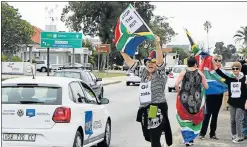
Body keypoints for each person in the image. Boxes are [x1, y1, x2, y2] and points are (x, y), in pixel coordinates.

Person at [120, 35, 172, 147]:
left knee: (154, 137)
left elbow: (160, 62)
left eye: (153, 62)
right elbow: (130, 62)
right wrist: (122, 50)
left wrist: (157, 45)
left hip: (156, 108)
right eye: (148, 62)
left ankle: (157, 141)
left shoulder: (160, 74)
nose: (150, 64)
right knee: (148, 136)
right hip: (145, 109)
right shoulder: (143, 73)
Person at [175, 56, 208, 146]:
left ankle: (187, 139)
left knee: (185, 119)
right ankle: (191, 139)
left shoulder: (184, 72)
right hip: (196, 101)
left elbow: (176, 84)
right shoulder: (200, 73)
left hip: (184, 100)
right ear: (195, 64)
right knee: (194, 119)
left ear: (187, 64)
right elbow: (206, 87)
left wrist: (179, 92)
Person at [212, 60, 247, 143]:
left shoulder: (245, 78)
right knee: (232, 120)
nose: (235, 70)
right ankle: (234, 135)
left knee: (238, 119)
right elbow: (220, 73)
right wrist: (214, 65)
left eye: (237, 68)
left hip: (241, 102)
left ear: (240, 69)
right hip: (232, 102)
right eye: (233, 68)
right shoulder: (230, 78)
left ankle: (240, 136)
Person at [199, 55, 224, 140]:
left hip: (219, 96)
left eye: (219, 60)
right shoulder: (208, 72)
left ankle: (212, 134)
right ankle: (202, 133)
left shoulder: (223, 72)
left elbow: (228, 82)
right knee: (207, 114)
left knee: (215, 115)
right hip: (209, 95)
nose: (217, 62)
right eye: (215, 60)